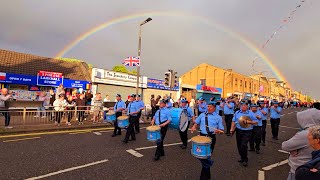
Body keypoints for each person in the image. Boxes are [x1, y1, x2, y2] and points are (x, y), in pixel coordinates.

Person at [282, 103, 320, 180]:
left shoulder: (306, 133)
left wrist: (294, 149)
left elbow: (285, 146)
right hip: (312, 166)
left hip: (299, 167)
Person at [191, 101, 224, 180]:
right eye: (208, 106)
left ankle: (204, 177)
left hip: (211, 138)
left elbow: (221, 130)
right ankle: (208, 171)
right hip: (201, 137)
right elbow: (196, 122)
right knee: (201, 155)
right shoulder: (202, 115)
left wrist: (218, 131)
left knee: (206, 156)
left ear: (214, 108)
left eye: (210, 107)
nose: (208, 108)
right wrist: (194, 126)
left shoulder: (218, 117)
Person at [230, 101, 258, 167]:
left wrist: (248, 121)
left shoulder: (251, 113)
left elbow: (256, 122)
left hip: (247, 131)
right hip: (239, 130)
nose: (243, 106)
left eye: (245, 105)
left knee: (243, 145)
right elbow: (234, 121)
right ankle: (242, 157)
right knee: (239, 145)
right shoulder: (237, 112)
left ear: (247, 106)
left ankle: (245, 159)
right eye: (242, 105)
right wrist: (232, 129)